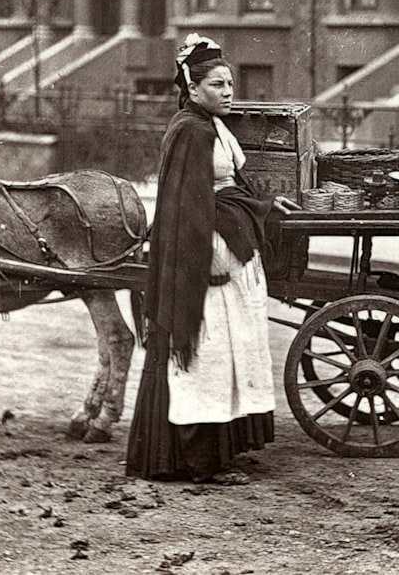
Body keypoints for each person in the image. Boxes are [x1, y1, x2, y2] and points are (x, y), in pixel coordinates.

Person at [125, 34, 295, 485]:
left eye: (230, 84)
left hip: (225, 250)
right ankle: (197, 460)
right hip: (205, 261)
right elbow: (186, 209)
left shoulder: (214, 125)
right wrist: (205, 262)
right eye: (218, 85)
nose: (228, 92)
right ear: (193, 87)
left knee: (230, 354)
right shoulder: (190, 131)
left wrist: (261, 208)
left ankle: (221, 451)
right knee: (206, 356)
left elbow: (227, 188)